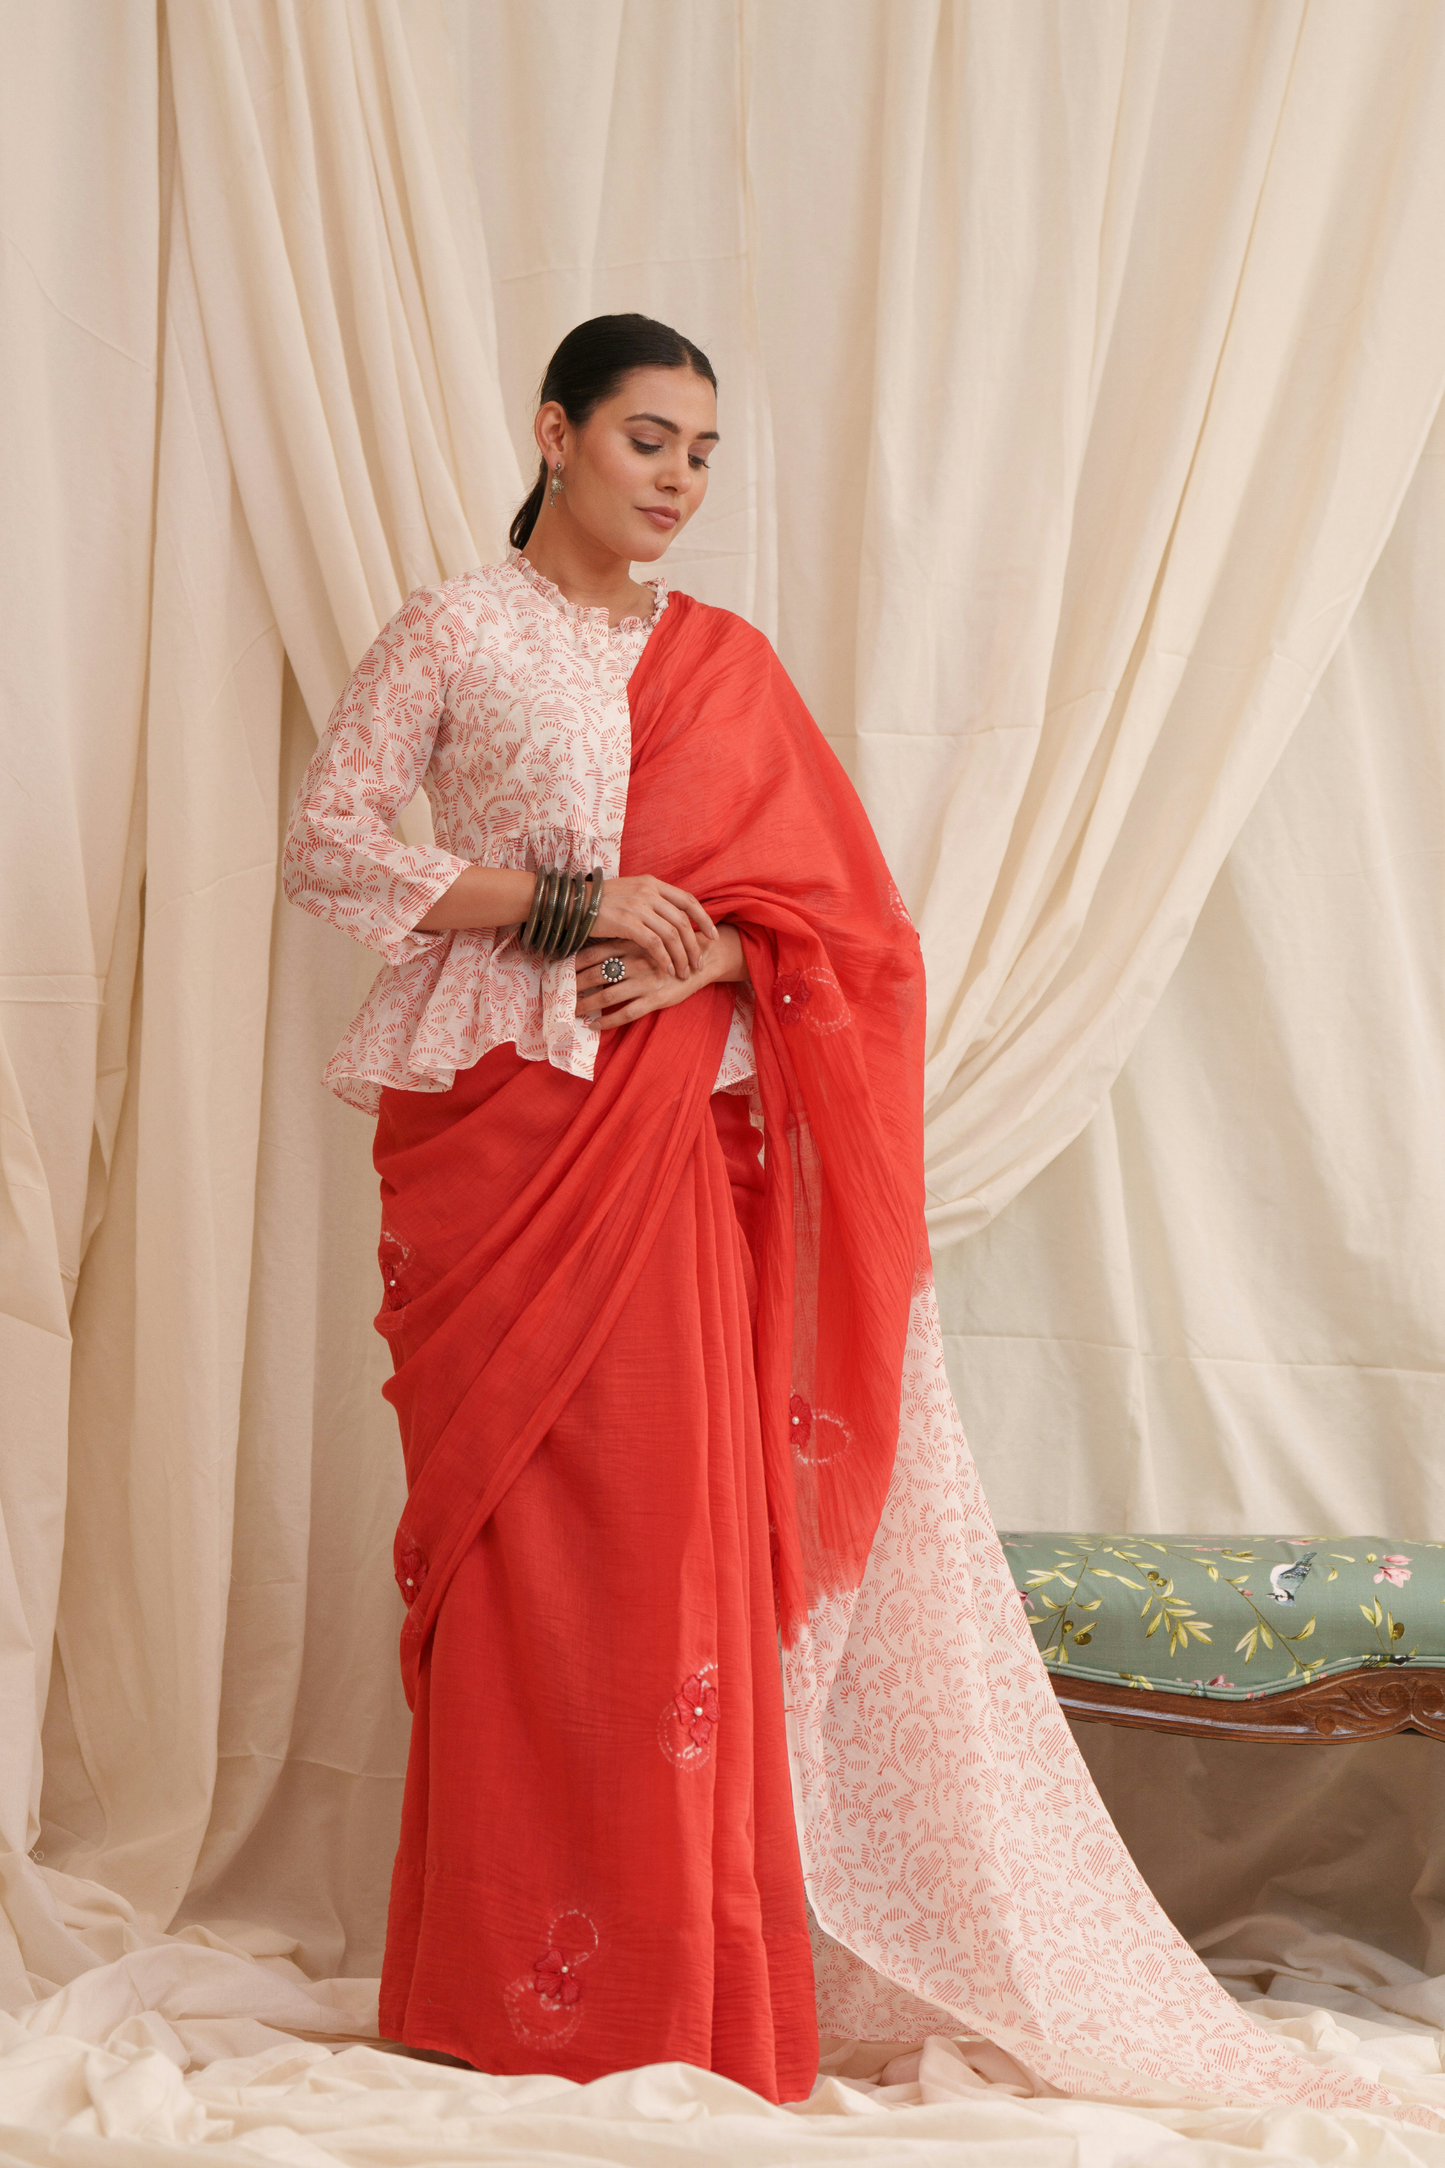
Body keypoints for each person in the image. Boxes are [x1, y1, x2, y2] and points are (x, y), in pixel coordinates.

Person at [283, 314, 1430, 2125]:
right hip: (496, 1135)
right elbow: (333, 846)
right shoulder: (450, 631)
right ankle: (493, 1993)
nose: (679, 480)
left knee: (664, 1557)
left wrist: (719, 955)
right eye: (648, 439)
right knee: (506, 1566)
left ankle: (671, 1989)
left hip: (665, 1151)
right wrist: (572, 902)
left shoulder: (724, 666)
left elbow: (851, 933)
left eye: (702, 452)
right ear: (554, 433)